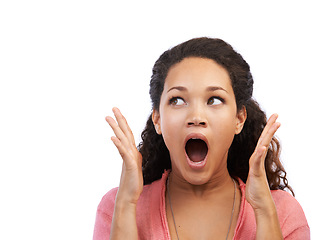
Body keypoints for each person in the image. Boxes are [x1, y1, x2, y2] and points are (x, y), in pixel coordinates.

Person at [93, 37, 309, 239]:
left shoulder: (282, 213)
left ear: (239, 118)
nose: (196, 117)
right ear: (157, 119)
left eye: (214, 100)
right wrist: (126, 204)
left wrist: (263, 210)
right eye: (177, 100)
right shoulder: (117, 207)